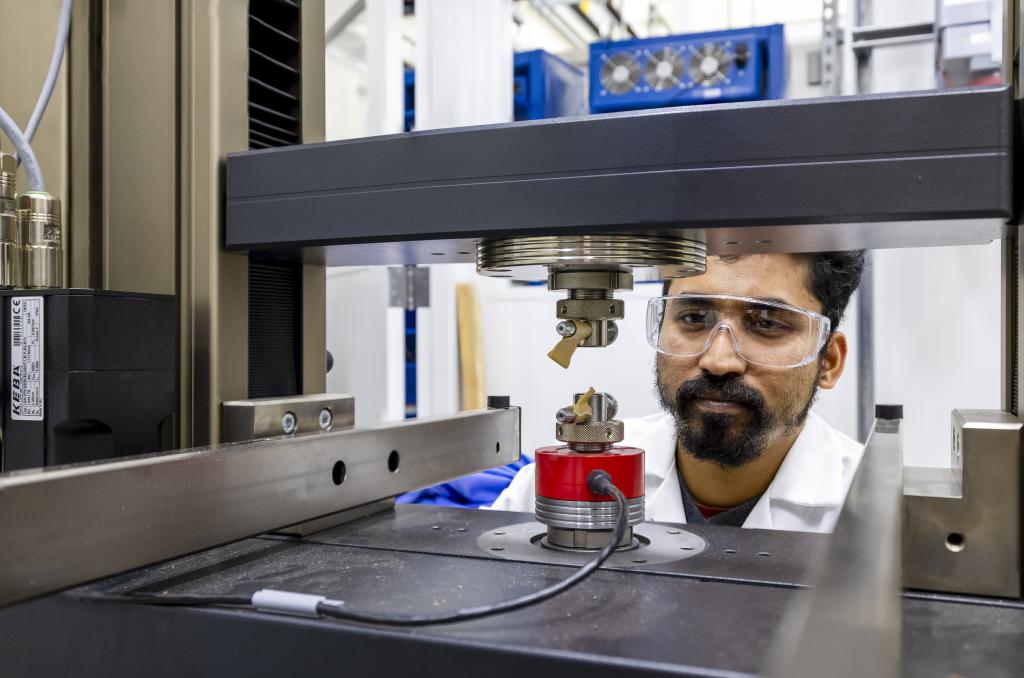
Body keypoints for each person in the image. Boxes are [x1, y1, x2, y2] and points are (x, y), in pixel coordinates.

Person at [490, 251, 866, 533]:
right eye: (693, 319)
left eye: (766, 323)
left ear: (829, 361)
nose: (719, 360)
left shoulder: (873, 510)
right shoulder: (561, 480)